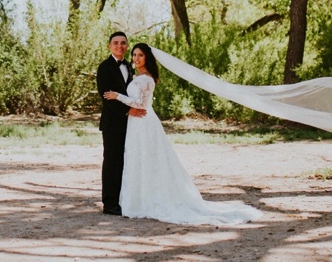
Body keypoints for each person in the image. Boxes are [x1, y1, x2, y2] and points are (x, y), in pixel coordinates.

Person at [103, 43, 261, 224]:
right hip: (135, 124)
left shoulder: (147, 79)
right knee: (137, 158)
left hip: (144, 123)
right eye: (134, 55)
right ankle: (137, 200)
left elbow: (140, 103)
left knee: (149, 159)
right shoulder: (137, 76)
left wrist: (118, 96)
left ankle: (149, 200)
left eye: (140, 55)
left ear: (147, 58)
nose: (136, 58)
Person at [96, 31, 145, 215]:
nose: (119, 46)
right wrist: (128, 110)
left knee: (127, 162)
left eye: (123, 43)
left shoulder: (130, 67)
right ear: (110, 46)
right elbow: (106, 97)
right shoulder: (104, 67)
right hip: (112, 123)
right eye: (115, 43)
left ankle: (124, 200)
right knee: (112, 162)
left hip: (131, 124)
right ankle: (109, 204)